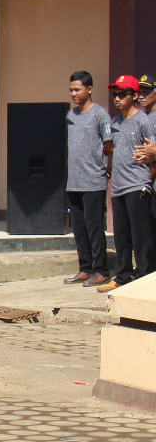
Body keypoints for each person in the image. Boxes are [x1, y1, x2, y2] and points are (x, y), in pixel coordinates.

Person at [98, 76, 155, 293]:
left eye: (122, 94)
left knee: (141, 235)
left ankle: (144, 276)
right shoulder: (115, 122)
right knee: (121, 236)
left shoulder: (143, 121)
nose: (117, 98)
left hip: (137, 184)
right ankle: (122, 276)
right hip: (118, 186)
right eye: (115, 94)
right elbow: (111, 148)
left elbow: (152, 150)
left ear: (134, 96)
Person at [63, 72, 113, 288]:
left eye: (77, 89)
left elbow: (109, 145)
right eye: (71, 90)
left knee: (94, 228)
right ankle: (86, 268)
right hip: (74, 182)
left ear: (89, 89)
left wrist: (101, 165)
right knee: (79, 229)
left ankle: (101, 271)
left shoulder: (100, 115)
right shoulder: (71, 115)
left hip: (93, 181)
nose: (73, 93)